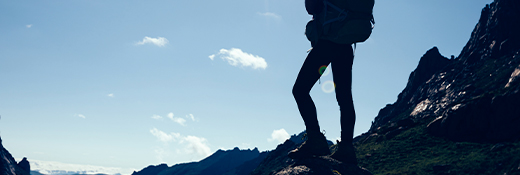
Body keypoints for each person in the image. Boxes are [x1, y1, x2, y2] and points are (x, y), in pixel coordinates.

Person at [288, 0, 358, 164]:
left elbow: (313, 7)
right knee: (344, 98)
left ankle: (315, 141)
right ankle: (347, 148)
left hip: (328, 43)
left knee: (300, 90)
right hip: (346, 44)